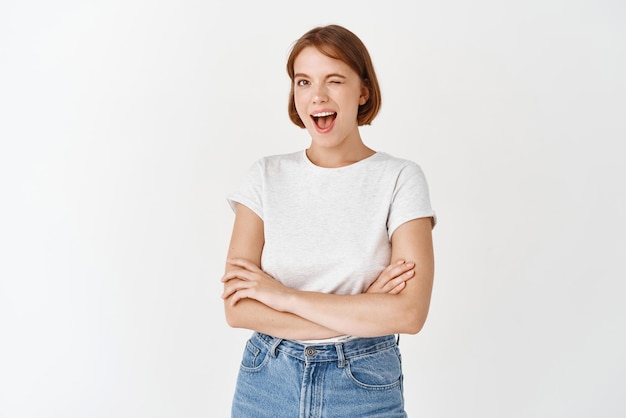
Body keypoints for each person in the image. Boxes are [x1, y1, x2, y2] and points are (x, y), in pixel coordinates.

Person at [221, 24, 436, 417]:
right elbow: (238, 308)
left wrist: (284, 297)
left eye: (334, 80)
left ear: (363, 91)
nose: (316, 95)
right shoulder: (265, 176)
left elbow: (409, 313)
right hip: (266, 381)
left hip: (363, 384)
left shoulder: (400, 178)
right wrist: (364, 307)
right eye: (303, 81)